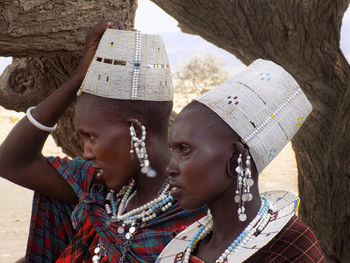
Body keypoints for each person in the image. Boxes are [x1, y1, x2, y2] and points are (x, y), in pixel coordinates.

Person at [0, 21, 205, 262]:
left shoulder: (195, 214)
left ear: (135, 130)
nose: (86, 153)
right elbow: (11, 162)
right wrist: (78, 77)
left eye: (91, 137)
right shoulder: (100, 191)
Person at [157, 59, 327, 263]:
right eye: (172, 150)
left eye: (184, 149)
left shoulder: (290, 247)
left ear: (237, 157)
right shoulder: (183, 248)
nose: (170, 168)